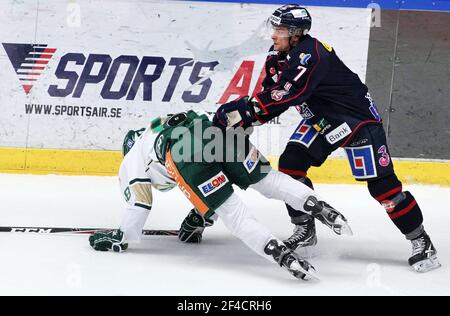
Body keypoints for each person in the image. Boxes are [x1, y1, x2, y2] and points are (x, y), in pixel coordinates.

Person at [212, 4, 440, 273]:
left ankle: (421, 241)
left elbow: (287, 95)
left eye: (280, 29)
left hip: (355, 122)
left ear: (296, 33)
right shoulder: (278, 56)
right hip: (319, 122)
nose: (274, 34)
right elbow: (270, 98)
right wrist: (247, 118)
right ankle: (305, 230)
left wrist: (243, 111)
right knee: (290, 166)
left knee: (384, 189)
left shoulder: (311, 55)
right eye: (274, 28)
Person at [89, 110, 352, 280]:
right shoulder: (156, 122)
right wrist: (199, 217)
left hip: (185, 151)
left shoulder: (133, 156)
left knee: (233, 213)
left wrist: (121, 236)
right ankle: (317, 206)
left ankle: (281, 255)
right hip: (215, 130)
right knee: (268, 179)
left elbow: (140, 201)